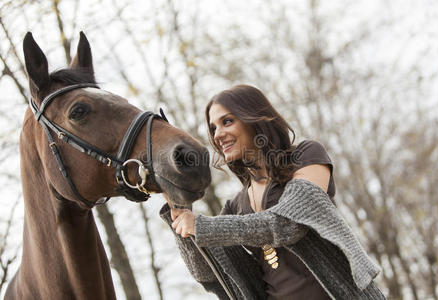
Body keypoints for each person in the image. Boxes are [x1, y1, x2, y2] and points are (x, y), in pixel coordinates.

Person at [160, 85, 385, 300]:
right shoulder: (236, 205)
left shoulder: (305, 157)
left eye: (227, 121)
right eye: (213, 128)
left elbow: (286, 225)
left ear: (254, 118)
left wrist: (202, 226)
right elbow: (209, 272)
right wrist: (179, 209)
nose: (218, 134)